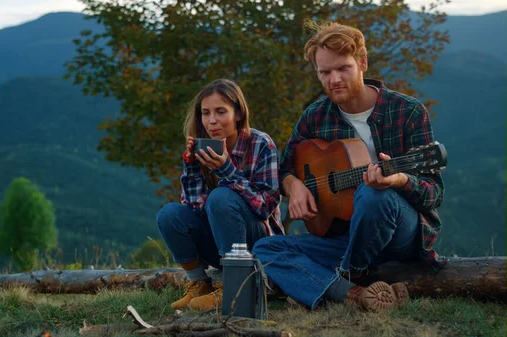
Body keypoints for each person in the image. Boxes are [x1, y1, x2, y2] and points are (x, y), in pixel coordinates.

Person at [253, 21, 445, 313]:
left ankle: (339, 278)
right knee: (265, 249)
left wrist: (398, 180)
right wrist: (294, 186)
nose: (334, 79)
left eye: (343, 68)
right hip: (343, 238)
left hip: (399, 236)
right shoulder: (316, 116)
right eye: (325, 72)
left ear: (363, 63)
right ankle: (355, 294)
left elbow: (434, 194)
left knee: (373, 195)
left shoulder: (407, 112)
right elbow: (284, 168)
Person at [156, 78, 285, 310]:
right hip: (221, 243)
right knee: (169, 214)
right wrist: (193, 167)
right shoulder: (205, 146)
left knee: (221, 196)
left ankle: (234, 289)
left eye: (220, 111)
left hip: (259, 244)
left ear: (238, 114)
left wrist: (226, 169)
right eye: (206, 113)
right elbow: (195, 209)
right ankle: (199, 284)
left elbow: (265, 207)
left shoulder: (261, 144)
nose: (212, 121)